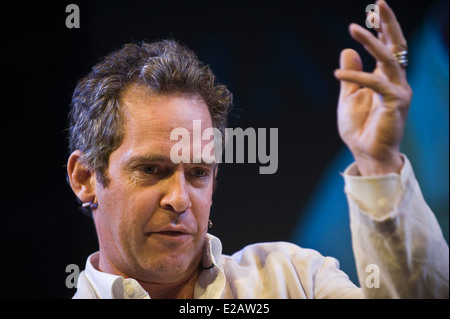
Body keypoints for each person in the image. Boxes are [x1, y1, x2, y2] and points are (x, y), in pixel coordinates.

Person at [67, 0, 448, 299]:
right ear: (85, 178)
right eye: (151, 169)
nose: (180, 198)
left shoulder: (294, 280)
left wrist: (378, 164)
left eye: (198, 172)